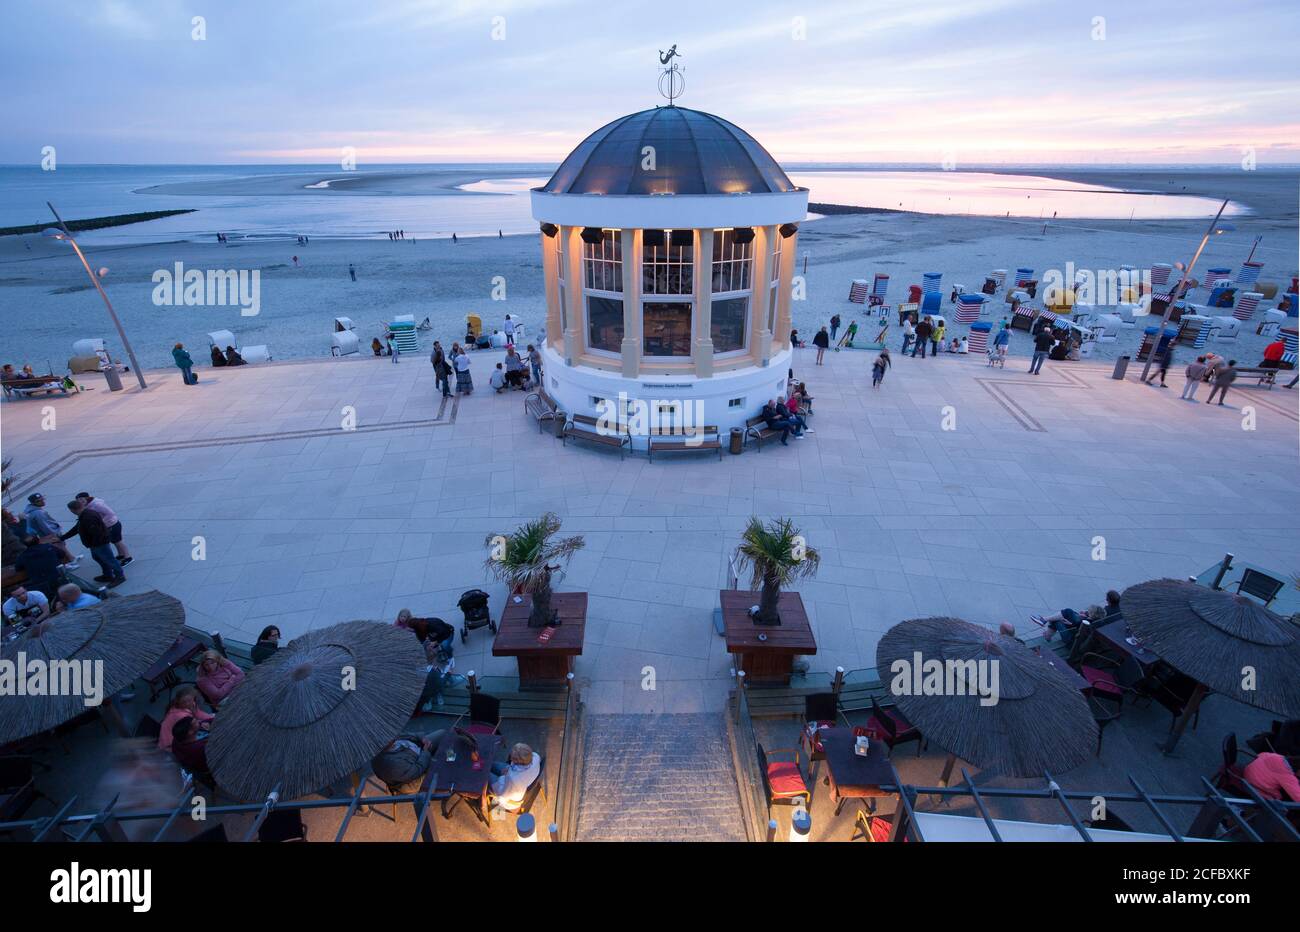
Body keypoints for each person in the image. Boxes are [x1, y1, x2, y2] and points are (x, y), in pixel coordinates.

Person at [61, 500, 123, 586]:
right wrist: (63, 537)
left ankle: (120, 576)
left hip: (99, 544)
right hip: (96, 544)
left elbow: (97, 533)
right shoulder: (85, 514)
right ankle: (108, 574)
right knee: (99, 558)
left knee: (109, 559)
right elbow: (77, 528)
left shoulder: (88, 517)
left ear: (72, 510)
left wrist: (94, 545)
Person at [372, 731, 443, 793]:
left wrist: (422, 738)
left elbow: (411, 735)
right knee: (443, 765)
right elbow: (418, 769)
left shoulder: (390, 737)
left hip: (420, 750)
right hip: (413, 780)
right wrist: (426, 752)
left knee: (442, 733)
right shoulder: (391, 764)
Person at [23, 493, 78, 566]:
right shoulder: (38, 513)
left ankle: (71, 558)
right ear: (33, 503)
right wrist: (54, 535)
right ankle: (68, 563)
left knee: (61, 546)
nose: (42, 501)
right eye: (39, 501)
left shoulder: (35, 510)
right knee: (59, 548)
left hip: (46, 534)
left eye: (42, 499)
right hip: (49, 534)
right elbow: (45, 526)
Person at [76, 493, 131, 565]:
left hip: (112, 525)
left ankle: (128, 557)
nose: (80, 501)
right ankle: (121, 555)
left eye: (81, 499)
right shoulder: (88, 505)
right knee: (115, 541)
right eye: (78, 500)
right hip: (109, 525)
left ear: (87, 498)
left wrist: (101, 523)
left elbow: (110, 513)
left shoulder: (96, 504)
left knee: (118, 541)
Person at [490, 742, 542, 816]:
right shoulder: (535, 756)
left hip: (510, 793)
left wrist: (503, 777)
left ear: (516, 762)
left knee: (486, 775)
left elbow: (502, 795)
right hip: (519, 779)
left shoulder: (513, 779)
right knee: (493, 764)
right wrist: (508, 771)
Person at [158, 686, 215, 752]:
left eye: (190, 700)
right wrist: (202, 723)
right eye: (185, 702)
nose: (188, 703)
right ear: (179, 702)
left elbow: (199, 714)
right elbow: (193, 727)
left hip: (178, 740)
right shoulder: (180, 715)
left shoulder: (187, 706)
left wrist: (214, 717)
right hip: (170, 748)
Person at [1030, 604, 1106, 648]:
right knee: (1063, 615)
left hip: (1071, 641)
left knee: (1059, 619)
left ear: (1092, 614)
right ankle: (1045, 628)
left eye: (1089, 612)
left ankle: (1044, 623)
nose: (1087, 612)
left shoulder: (1087, 624)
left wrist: (1069, 624)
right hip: (1074, 633)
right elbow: (1077, 627)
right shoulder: (1095, 621)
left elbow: (1076, 633)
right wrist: (1070, 623)